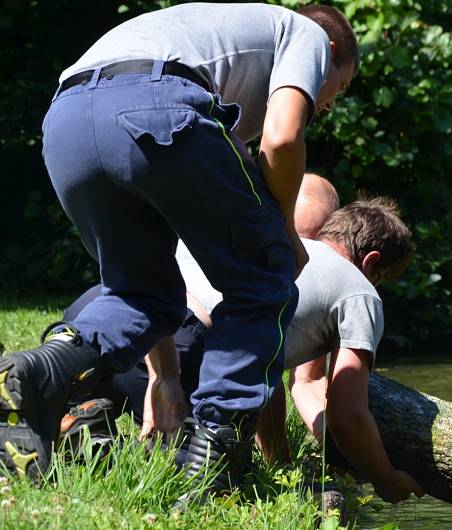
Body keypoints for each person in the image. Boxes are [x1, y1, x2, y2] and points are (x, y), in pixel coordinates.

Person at [0, 3, 357, 495]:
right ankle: (214, 461)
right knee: (267, 274)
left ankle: (38, 372)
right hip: (155, 102)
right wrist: (286, 237)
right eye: (336, 89)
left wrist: (164, 378)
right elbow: (281, 139)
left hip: (66, 122)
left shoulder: (210, 57)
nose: (328, 105)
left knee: (141, 293)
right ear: (333, 52)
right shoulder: (308, 34)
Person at [62, 192, 424, 503]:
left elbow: (262, 373)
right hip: (185, 345)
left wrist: (278, 458)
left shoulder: (271, 242)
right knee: (210, 472)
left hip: (100, 313)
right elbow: (348, 414)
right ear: (371, 261)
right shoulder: (359, 290)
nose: (378, 287)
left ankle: (88, 418)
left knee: (92, 393)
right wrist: (387, 480)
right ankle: (112, 445)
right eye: (383, 279)